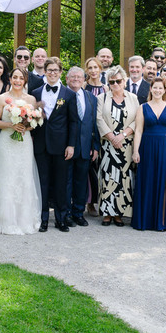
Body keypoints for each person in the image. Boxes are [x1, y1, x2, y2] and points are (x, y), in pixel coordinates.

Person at [0, 66, 43, 234]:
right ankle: (3, 219)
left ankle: (22, 219)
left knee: (23, 177)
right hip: (6, 141)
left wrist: (25, 127)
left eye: (21, 78)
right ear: (10, 79)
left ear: (25, 80)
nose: (17, 81)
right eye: (15, 77)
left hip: (24, 143)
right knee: (6, 177)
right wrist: (11, 125)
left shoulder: (31, 99)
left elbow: (33, 124)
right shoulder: (1, 98)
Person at [30, 58, 79, 231]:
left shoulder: (69, 94)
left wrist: (71, 145)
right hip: (41, 144)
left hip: (61, 145)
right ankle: (43, 218)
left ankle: (61, 218)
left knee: (60, 183)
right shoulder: (35, 93)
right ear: (45, 71)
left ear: (60, 72)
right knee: (42, 183)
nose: (52, 73)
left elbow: (74, 122)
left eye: (55, 70)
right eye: (49, 70)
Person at [131, 78, 166, 231]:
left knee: (164, 182)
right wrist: (135, 151)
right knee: (147, 181)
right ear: (151, 89)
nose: (158, 90)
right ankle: (145, 220)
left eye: (160, 88)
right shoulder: (143, 107)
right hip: (147, 147)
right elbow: (138, 130)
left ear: (165, 90)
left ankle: (161, 221)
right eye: (155, 88)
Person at [96, 65, 138, 226]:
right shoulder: (102, 98)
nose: (115, 84)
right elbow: (99, 119)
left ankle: (120, 213)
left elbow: (137, 120)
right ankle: (107, 213)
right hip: (108, 145)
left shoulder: (133, 98)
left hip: (126, 144)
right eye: (112, 82)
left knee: (123, 178)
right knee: (108, 178)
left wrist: (123, 135)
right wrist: (112, 137)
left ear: (124, 81)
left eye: (118, 81)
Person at [66, 66, 100, 227]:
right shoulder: (62, 95)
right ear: (67, 79)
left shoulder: (91, 98)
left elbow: (94, 124)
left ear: (84, 79)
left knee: (81, 183)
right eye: (72, 77)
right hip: (66, 148)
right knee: (66, 182)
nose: (76, 79)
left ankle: (78, 213)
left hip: (85, 147)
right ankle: (65, 213)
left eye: (79, 77)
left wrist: (95, 146)